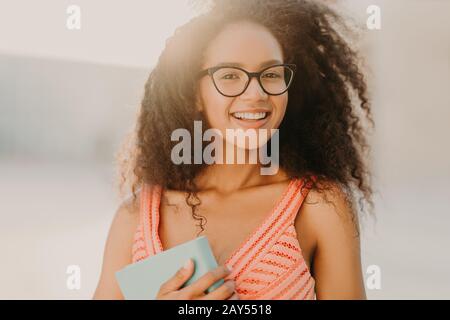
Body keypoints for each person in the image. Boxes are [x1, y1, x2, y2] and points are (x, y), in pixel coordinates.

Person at [93, 0, 374, 300]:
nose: (256, 94)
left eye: (271, 74)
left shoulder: (321, 207)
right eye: (229, 75)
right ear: (194, 94)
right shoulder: (135, 217)